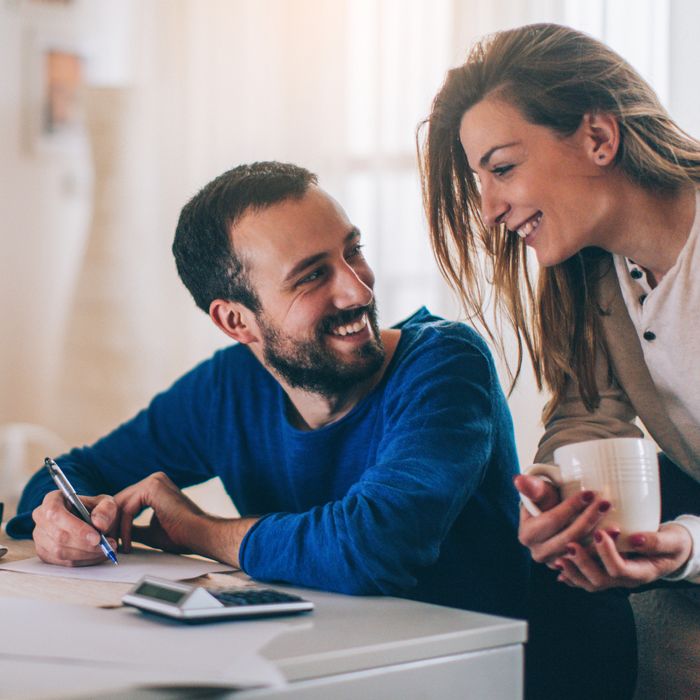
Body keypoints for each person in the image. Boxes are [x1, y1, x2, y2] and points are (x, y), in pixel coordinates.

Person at [7, 161, 528, 619]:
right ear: (236, 320)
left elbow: (374, 547)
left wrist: (197, 531)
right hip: (323, 664)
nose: (358, 289)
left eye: (353, 251)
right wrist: (61, 519)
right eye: (312, 276)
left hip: (490, 671)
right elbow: (64, 479)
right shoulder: (227, 389)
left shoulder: (444, 363)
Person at [419, 22, 700, 699]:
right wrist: (562, 497)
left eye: (503, 168)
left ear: (599, 138)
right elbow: (586, 412)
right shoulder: (593, 272)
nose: (487, 209)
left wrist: (686, 545)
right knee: (544, 560)